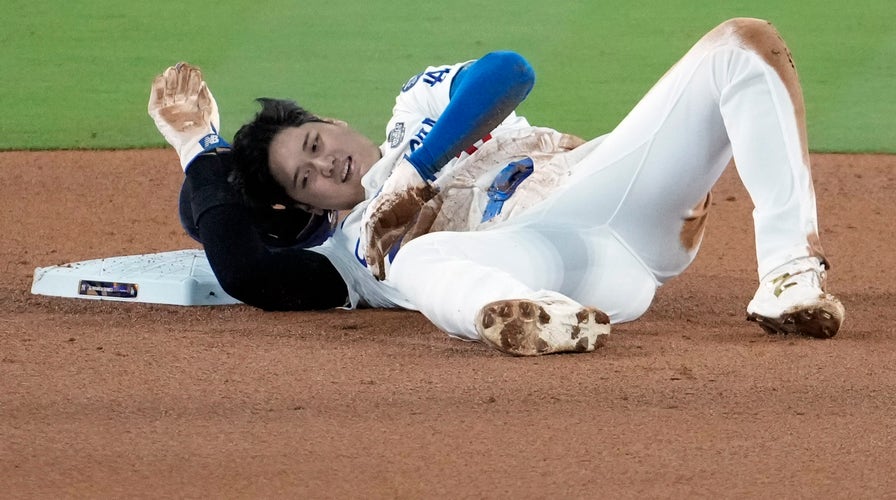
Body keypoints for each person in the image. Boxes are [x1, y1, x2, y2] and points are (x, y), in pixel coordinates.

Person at [148, 17, 845, 356]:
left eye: (314, 144)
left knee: (739, 45)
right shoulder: (347, 254)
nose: (325, 165)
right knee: (414, 257)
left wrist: (414, 175)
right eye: (306, 180)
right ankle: (524, 318)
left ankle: (791, 275)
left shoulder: (415, 110)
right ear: (312, 209)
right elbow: (243, 267)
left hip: (613, 195)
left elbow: (510, 71)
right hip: (541, 264)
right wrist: (195, 147)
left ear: (330, 122)